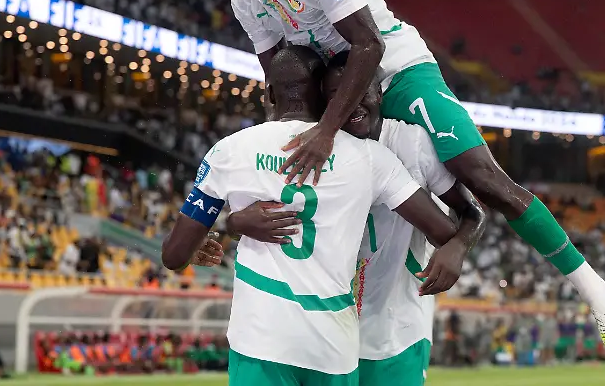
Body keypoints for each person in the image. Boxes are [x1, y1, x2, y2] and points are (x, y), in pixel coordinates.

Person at [190, 0, 605, 348]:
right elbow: (282, 82)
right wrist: (226, 216)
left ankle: (597, 292)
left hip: (398, 71)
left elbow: (370, 44)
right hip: (338, 88)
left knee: (481, 176)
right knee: (316, 181)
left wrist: (324, 132)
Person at [162, 47, 460, 385]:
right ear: (324, 95)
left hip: (260, 339)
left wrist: (228, 225)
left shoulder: (228, 151)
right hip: (333, 345)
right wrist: (458, 244)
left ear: (269, 92)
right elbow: (445, 231)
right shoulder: (371, 158)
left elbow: (174, 256)